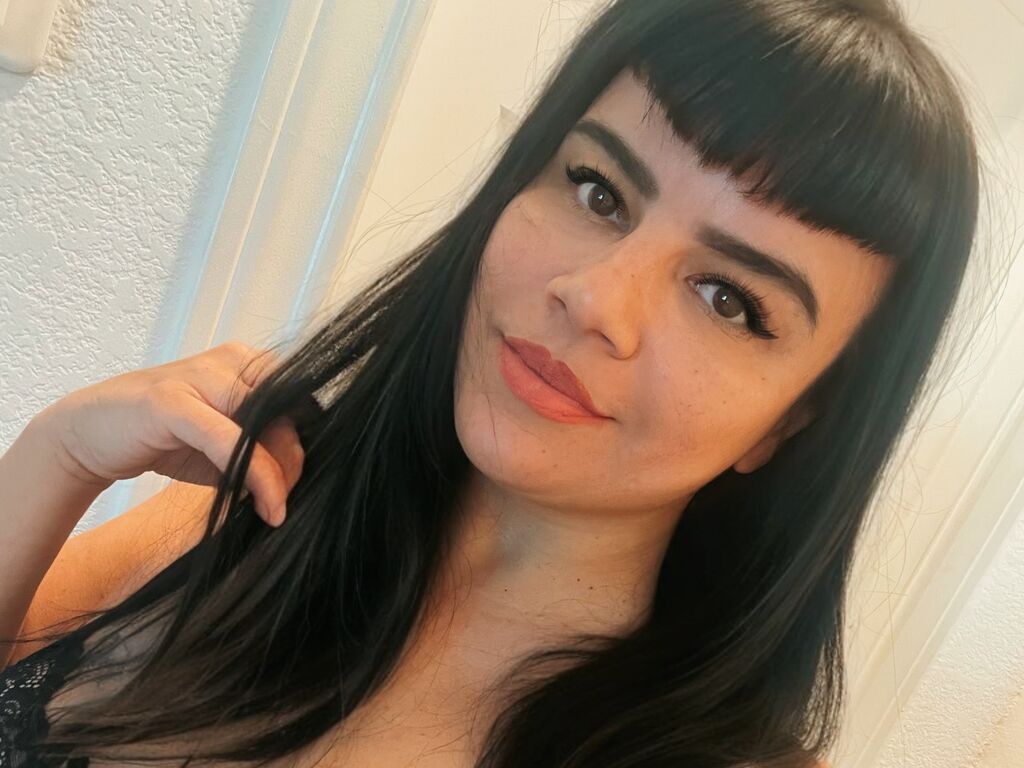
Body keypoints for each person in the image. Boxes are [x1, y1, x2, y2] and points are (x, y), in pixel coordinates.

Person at [0, 0, 981, 766]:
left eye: (727, 298)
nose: (595, 297)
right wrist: (58, 457)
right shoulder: (268, 517)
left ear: (795, 417)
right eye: (598, 190)